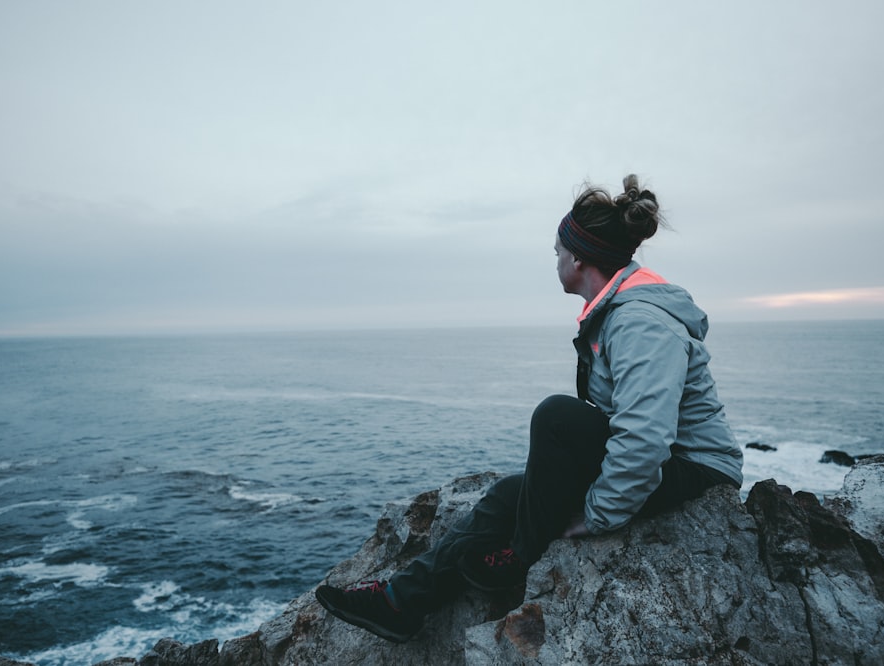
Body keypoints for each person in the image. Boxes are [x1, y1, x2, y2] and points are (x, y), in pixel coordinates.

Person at [315, 174, 744, 643]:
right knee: (506, 495)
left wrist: (598, 514)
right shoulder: (617, 312)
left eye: (558, 253)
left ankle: (520, 556)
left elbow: (645, 439)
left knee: (556, 417)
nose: (556, 261)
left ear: (579, 258)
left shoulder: (639, 321)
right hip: (668, 462)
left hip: (697, 470)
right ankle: (400, 602)